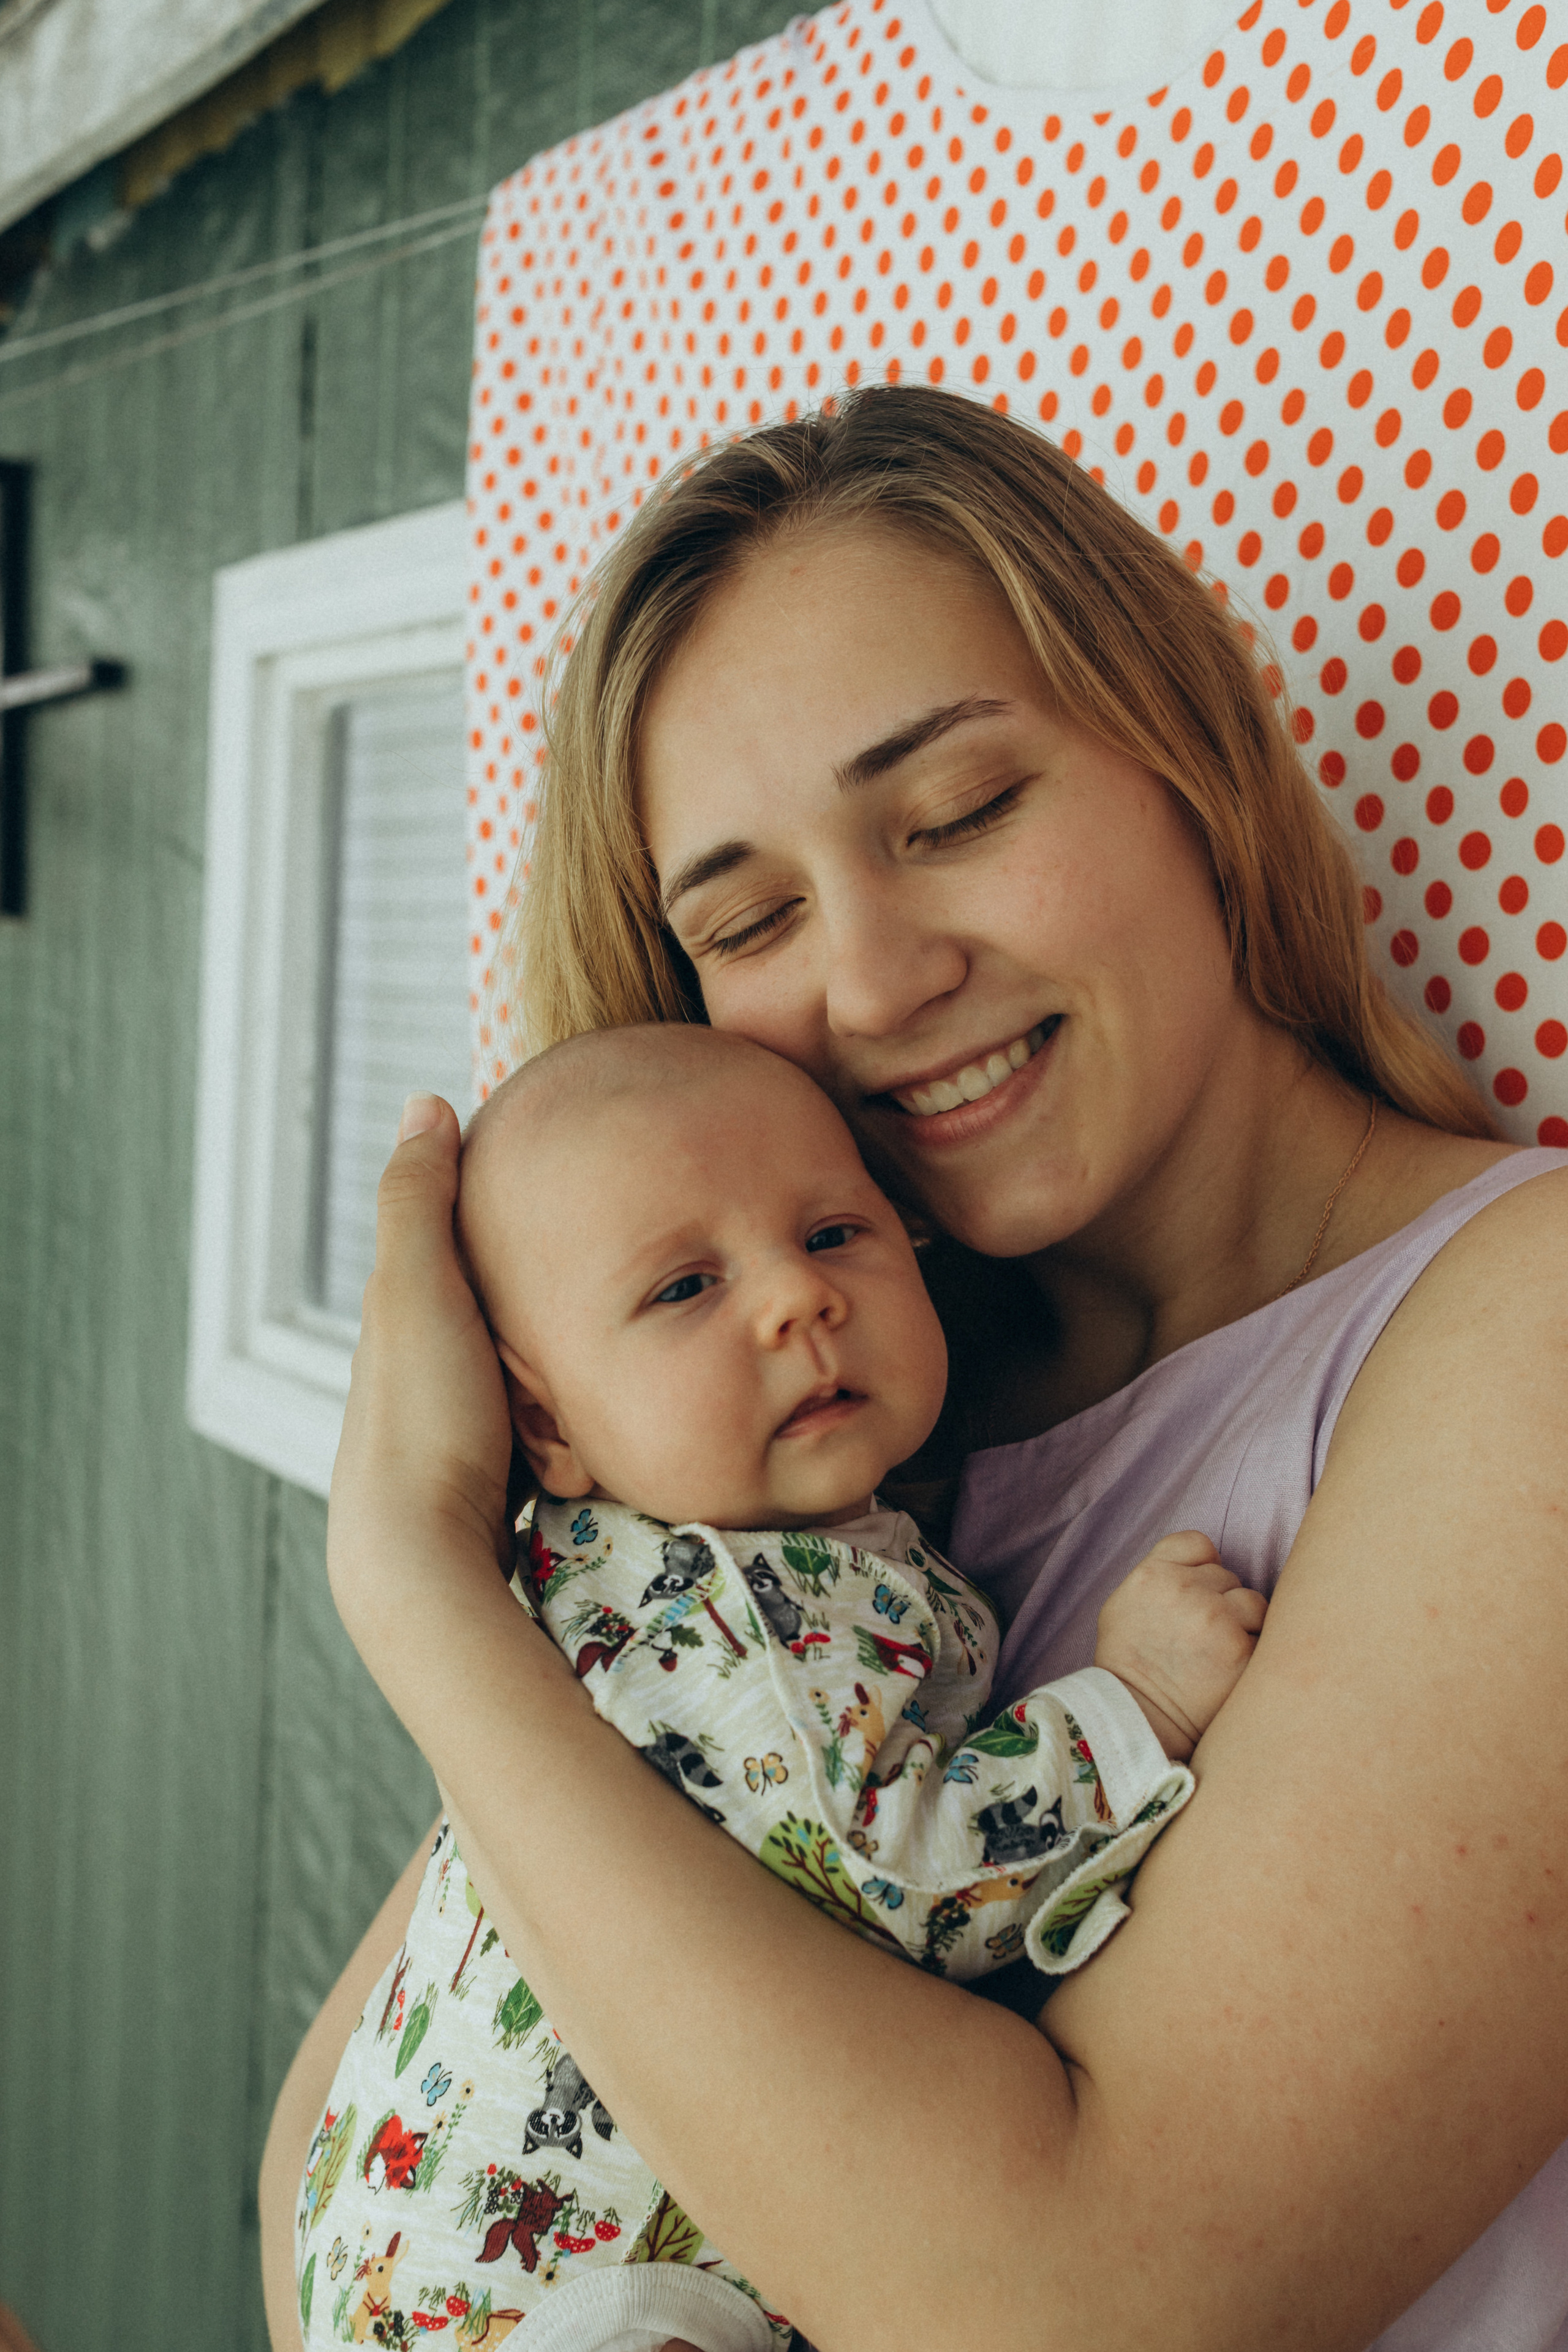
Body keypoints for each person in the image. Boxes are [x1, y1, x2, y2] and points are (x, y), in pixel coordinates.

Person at [262, 386, 1568, 2352]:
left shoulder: (1514, 1332)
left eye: (959, 815)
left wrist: (421, 1594)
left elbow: (1080, 2306)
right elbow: (346, 2181)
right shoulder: (818, 1445)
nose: (873, 985)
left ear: (1190, 754)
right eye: (753, 916)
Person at [292, 1019, 1259, 2352]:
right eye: (683, 1289)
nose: (794, 1300)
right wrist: (1132, 1701)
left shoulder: (597, 1578)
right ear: (545, 1424)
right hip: (577, 2307)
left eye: (830, 1235)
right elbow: (908, 1877)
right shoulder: (745, 1620)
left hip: (424, 2253)